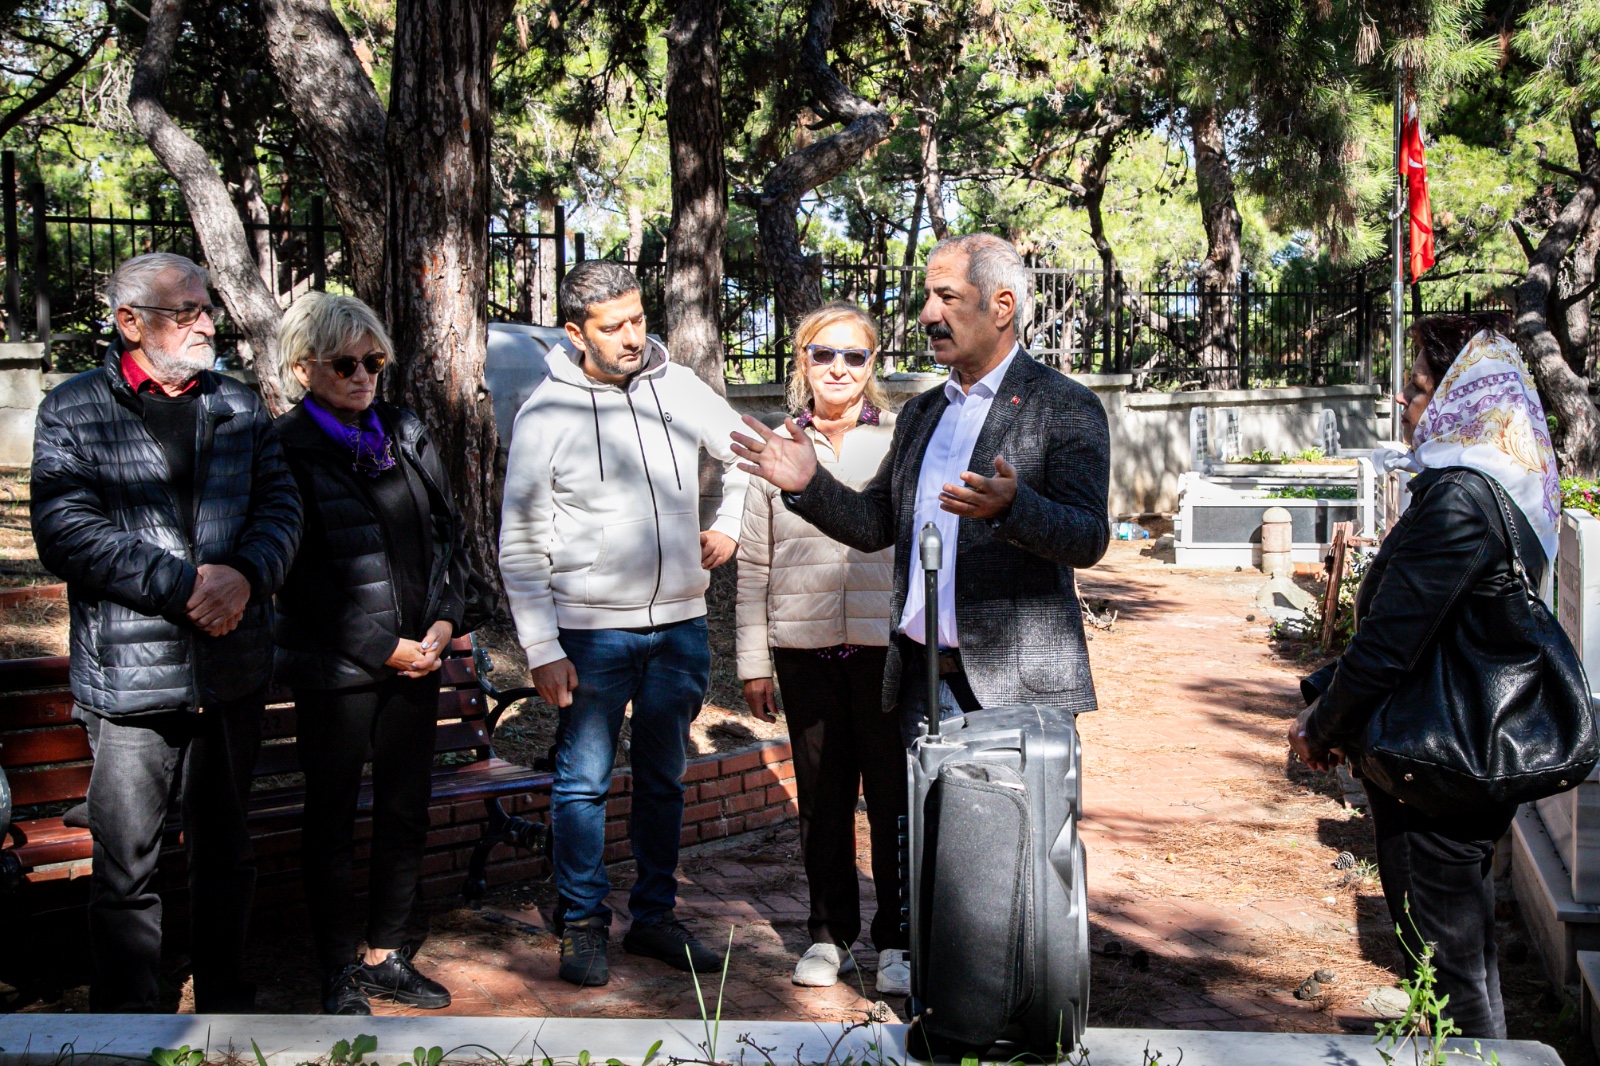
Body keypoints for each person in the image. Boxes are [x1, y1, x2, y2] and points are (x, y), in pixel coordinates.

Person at [30, 252, 302, 1012]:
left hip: (232, 670)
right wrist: (186, 588)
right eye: (185, 311)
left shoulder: (239, 406)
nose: (205, 321)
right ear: (130, 323)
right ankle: (126, 1018)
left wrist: (246, 574)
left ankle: (225, 1001)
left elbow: (283, 511)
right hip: (130, 684)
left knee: (227, 854)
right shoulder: (74, 408)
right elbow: (65, 530)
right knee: (127, 868)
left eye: (204, 306)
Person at [1288, 312, 1557, 1041]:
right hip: (1445, 752)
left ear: (1457, 396)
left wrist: (1321, 724)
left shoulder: (1464, 498)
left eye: (1415, 390)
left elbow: (1392, 643)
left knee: (1448, 970)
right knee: (1455, 961)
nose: (1405, 407)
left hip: (1438, 765)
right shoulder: (1493, 489)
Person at [731, 233, 1111, 734]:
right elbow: (877, 524)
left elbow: (1088, 538)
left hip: (1015, 691)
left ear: (1002, 306)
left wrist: (1013, 508)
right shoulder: (922, 414)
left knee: (1014, 817)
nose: (928, 314)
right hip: (918, 680)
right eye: (927, 298)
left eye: (946, 297)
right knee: (923, 818)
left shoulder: (1064, 405)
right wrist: (809, 484)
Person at [499, 261, 751, 988]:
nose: (635, 335)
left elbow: (748, 450)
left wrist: (729, 524)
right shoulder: (546, 411)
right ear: (577, 333)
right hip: (589, 634)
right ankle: (581, 923)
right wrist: (541, 646)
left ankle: (655, 919)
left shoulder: (676, 384)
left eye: (639, 318)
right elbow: (520, 539)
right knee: (581, 782)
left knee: (663, 779)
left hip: (680, 628)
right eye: (615, 327)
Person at [272, 292, 480, 1015]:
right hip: (339, 670)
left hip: (418, 659)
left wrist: (445, 624)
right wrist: (379, 647)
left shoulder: (404, 431)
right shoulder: (286, 446)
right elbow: (295, 578)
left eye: (374, 361)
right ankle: (336, 968)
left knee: (405, 809)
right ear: (305, 368)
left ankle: (386, 953)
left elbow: (450, 536)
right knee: (331, 816)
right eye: (346, 363)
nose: (364, 376)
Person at [735, 303, 907, 994]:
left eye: (854, 356)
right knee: (824, 803)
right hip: (803, 652)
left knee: (893, 800)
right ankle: (828, 935)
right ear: (801, 361)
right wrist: (752, 660)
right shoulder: (774, 448)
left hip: (883, 653)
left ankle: (898, 940)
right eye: (822, 353)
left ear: (872, 367)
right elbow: (753, 563)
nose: (838, 368)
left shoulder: (900, 443)